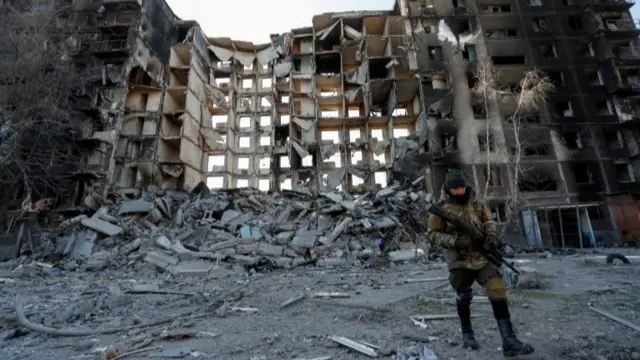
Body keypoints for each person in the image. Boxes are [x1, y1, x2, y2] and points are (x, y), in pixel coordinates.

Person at [427, 169, 534, 357]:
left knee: (497, 289)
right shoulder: (440, 211)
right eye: (455, 188)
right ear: (448, 189)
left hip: (483, 257)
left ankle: (509, 341)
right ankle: (467, 334)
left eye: (461, 186)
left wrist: (492, 237)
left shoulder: (477, 205)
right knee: (464, 295)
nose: (459, 190)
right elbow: (433, 235)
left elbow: (489, 223)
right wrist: (455, 241)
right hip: (459, 261)